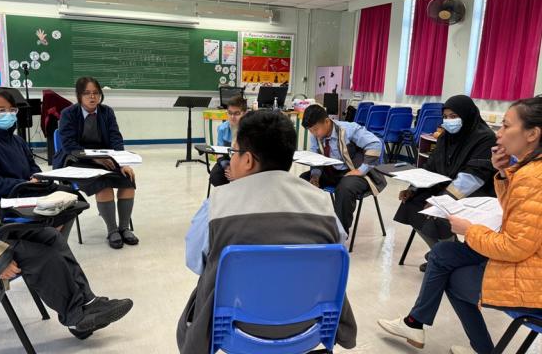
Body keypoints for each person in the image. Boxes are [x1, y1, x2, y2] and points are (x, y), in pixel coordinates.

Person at [0, 89, 133, 340]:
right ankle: (76, 316)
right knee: (41, 256)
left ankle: (87, 303)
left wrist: (39, 182)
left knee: (50, 236)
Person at [177, 111, 357, 354]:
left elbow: (195, 262)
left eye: (233, 152)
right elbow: (337, 255)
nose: (231, 159)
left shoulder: (216, 205)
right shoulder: (323, 203)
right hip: (309, 328)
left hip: (235, 331)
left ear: (248, 160)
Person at [377, 97, 542, 354]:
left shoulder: (533, 177)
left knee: (451, 279)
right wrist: (501, 173)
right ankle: (415, 324)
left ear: (532, 134)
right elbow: (516, 210)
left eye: (506, 125)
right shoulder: (527, 169)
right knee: (442, 253)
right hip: (524, 257)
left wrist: (469, 230)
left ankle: (478, 348)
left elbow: (515, 246)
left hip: (531, 278)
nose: (499, 132)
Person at [394, 95, 496, 271]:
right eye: (446, 117)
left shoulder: (485, 138)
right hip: (445, 187)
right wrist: (413, 189)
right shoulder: (445, 137)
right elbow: (429, 167)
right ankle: (440, 254)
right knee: (410, 204)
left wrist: (441, 201)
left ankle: (448, 257)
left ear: (467, 115)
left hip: (474, 193)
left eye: (454, 116)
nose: (449, 121)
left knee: (441, 214)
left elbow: (473, 178)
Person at [53, 76, 138, 249]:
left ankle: (124, 228)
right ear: (79, 95)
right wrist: (94, 158)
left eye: (96, 93)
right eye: (87, 93)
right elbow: (69, 145)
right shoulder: (68, 113)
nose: (92, 97)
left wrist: (123, 163)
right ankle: (112, 230)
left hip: (106, 158)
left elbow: (115, 138)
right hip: (77, 159)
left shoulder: (107, 112)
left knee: (128, 180)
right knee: (103, 184)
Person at [300, 104, 386, 233]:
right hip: (331, 171)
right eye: (310, 131)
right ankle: (308, 226)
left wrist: (361, 170)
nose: (313, 134)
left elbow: (376, 144)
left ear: (327, 121)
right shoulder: (316, 135)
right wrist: (315, 176)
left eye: (316, 129)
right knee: (302, 181)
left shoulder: (349, 129)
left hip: (354, 172)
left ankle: (339, 233)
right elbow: (316, 157)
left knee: (345, 188)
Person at [209, 95, 247, 187]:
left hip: (245, 162)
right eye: (230, 113)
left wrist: (237, 172)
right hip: (227, 160)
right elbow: (219, 152)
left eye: (237, 113)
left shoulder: (250, 129)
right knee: (215, 177)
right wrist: (227, 167)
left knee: (244, 179)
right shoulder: (222, 128)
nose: (232, 117)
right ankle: (227, 194)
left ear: (244, 113)